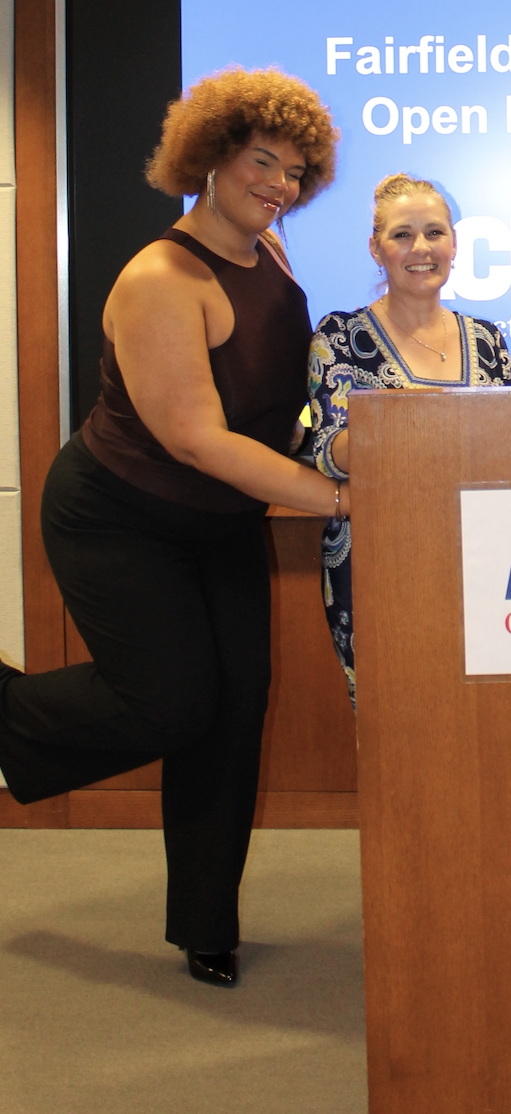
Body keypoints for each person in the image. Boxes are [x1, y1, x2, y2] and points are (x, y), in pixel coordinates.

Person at [0, 67, 348, 990]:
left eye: (296, 170)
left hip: (215, 523)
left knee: (233, 718)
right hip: (118, 517)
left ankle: (206, 923)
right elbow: (197, 440)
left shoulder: (269, 255)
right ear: (208, 158)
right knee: (170, 703)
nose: (279, 184)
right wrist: (341, 500)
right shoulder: (160, 276)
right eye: (260, 162)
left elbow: (269, 396)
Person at [309, 174, 511, 707]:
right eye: (402, 235)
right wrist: (424, 426)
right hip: (381, 566)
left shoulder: (488, 340)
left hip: (487, 564)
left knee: (485, 724)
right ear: (375, 248)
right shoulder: (339, 338)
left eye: (434, 233)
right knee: (393, 732)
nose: (421, 249)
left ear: (454, 243)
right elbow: (329, 452)